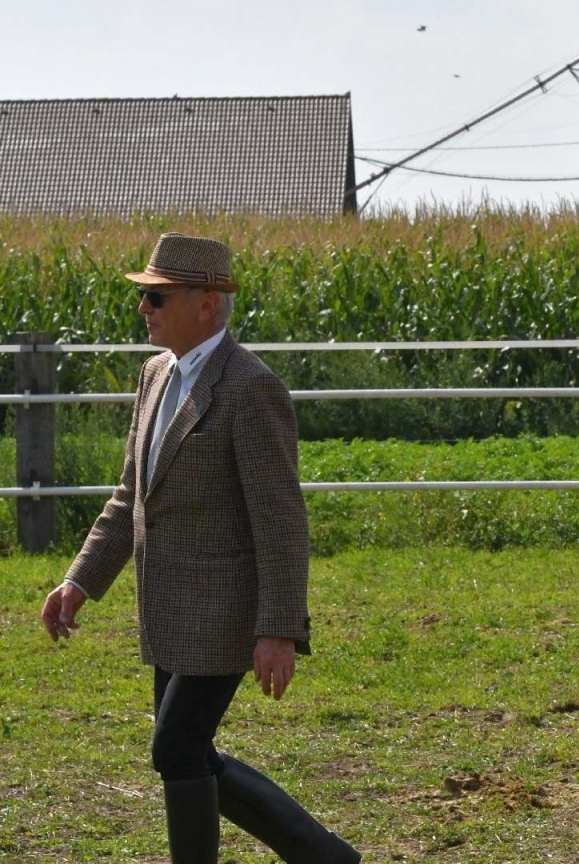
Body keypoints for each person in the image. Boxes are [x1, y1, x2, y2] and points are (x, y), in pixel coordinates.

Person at [38, 233, 359, 864]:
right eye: (144, 295)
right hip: (167, 610)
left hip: (225, 612)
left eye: (156, 296)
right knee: (189, 752)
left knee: (176, 749)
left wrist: (278, 628)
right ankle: (326, 858)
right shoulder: (156, 375)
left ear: (207, 303)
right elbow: (131, 496)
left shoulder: (249, 388)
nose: (144, 309)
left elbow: (280, 520)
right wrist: (80, 580)